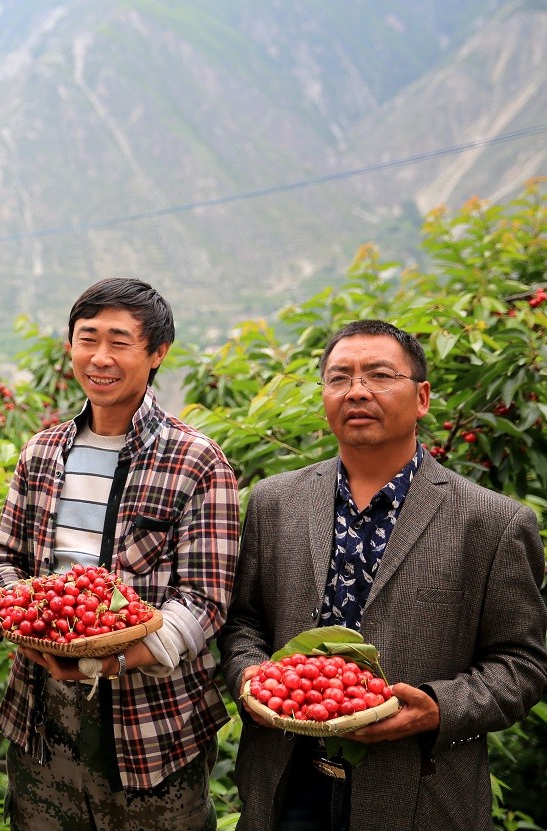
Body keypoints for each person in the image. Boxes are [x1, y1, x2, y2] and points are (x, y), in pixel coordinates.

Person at [220, 319, 547, 831]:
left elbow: (522, 663)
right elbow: (244, 621)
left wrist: (437, 708)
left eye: (378, 375)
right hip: (286, 781)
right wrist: (250, 678)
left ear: (421, 398)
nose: (357, 391)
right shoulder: (274, 501)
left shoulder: (495, 522)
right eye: (339, 378)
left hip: (418, 790)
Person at [0, 278, 240, 831]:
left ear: (157, 354)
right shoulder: (41, 453)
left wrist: (114, 659)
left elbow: (203, 601)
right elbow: (4, 560)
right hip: (40, 715)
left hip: (151, 722)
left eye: (120, 342)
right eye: (87, 339)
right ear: (70, 346)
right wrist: (31, 627)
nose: (100, 358)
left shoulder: (196, 461)